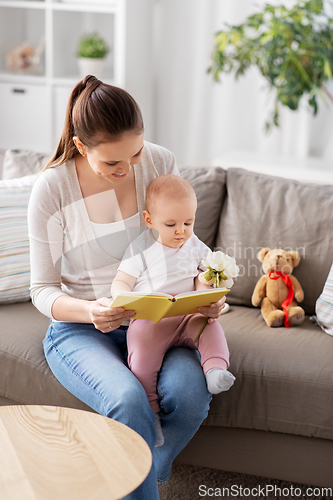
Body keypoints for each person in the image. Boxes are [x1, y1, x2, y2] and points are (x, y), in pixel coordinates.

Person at [27, 75, 226, 500]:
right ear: (81, 147)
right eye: (112, 164)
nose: (128, 170)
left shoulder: (157, 163)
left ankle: (142, 470)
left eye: (135, 154)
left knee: (190, 394)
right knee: (128, 399)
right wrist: (92, 311)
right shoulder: (52, 189)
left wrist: (206, 293)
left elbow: (185, 246)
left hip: (159, 321)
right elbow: (42, 290)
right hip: (81, 328)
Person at [111, 174, 235, 446]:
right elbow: (121, 280)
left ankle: (215, 369)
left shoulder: (194, 245)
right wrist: (123, 297)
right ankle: (151, 412)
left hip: (188, 315)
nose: (181, 231)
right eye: (171, 224)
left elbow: (205, 276)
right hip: (151, 321)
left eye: (188, 223)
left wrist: (209, 293)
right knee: (142, 359)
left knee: (210, 328)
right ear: (149, 220)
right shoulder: (141, 248)